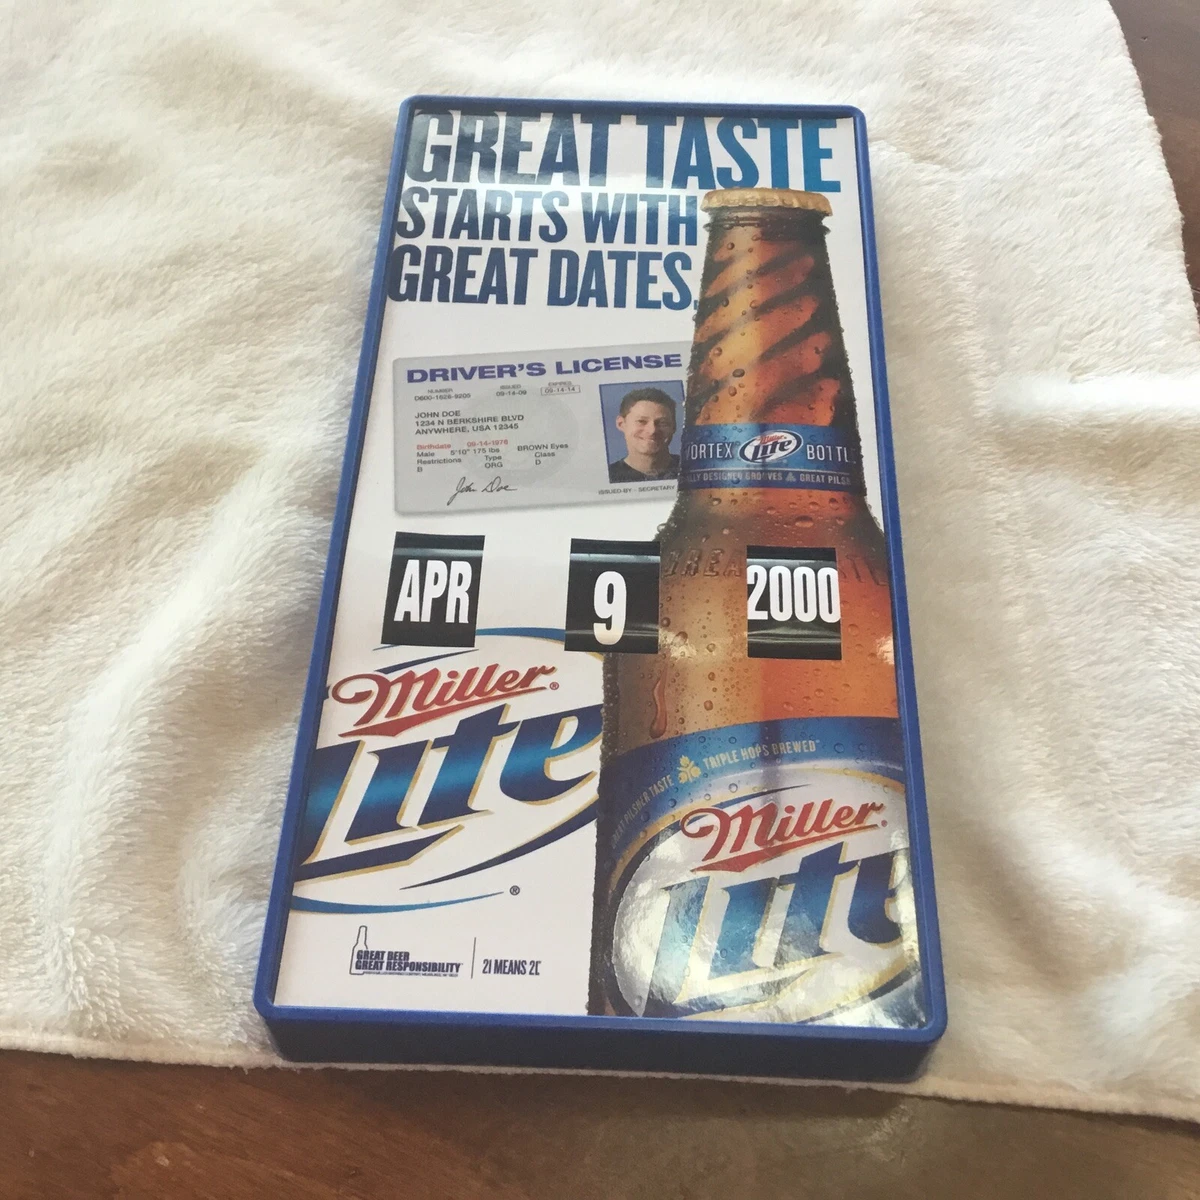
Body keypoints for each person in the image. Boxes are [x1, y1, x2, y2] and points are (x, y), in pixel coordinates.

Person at [607, 387, 680, 483]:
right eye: (641, 421)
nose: (652, 430)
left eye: (662, 423)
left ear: (674, 426)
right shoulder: (606, 477)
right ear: (621, 424)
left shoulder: (692, 469)